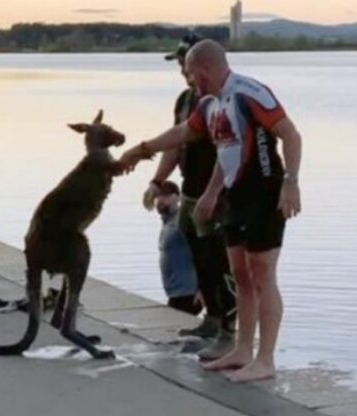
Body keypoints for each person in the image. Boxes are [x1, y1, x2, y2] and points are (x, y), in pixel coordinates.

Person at [121, 40, 302, 383]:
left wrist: (291, 183)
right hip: (234, 197)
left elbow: (291, 135)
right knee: (241, 274)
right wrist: (141, 150)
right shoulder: (210, 104)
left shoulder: (250, 93)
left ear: (204, 69)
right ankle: (241, 349)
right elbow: (189, 136)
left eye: (190, 73)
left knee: (263, 274)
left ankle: (266, 360)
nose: (189, 80)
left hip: (264, 193)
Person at [144, 33, 237, 361]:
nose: (182, 70)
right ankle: (211, 319)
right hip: (190, 190)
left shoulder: (222, 99)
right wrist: (158, 179)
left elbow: (229, 150)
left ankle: (230, 329)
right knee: (198, 256)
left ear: (201, 64)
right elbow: (175, 143)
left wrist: (215, 193)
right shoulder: (185, 100)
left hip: (218, 192)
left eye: (185, 62)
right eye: (180, 64)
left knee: (218, 259)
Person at [155, 180, 202, 316]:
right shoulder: (167, 222)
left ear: (178, 197)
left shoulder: (183, 221)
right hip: (176, 294)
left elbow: (204, 252)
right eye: (158, 196)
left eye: (166, 196)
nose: (160, 200)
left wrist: (203, 290)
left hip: (188, 294)